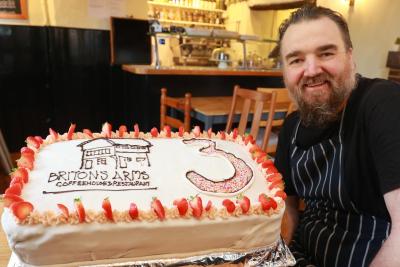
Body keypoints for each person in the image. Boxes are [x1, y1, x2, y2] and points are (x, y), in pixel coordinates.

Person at [274, 5, 400, 267]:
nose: (311, 70)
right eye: (296, 60)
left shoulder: (381, 103)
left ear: (350, 58)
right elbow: (287, 209)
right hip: (300, 254)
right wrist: (273, 257)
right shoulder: (291, 127)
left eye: (326, 53)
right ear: (285, 73)